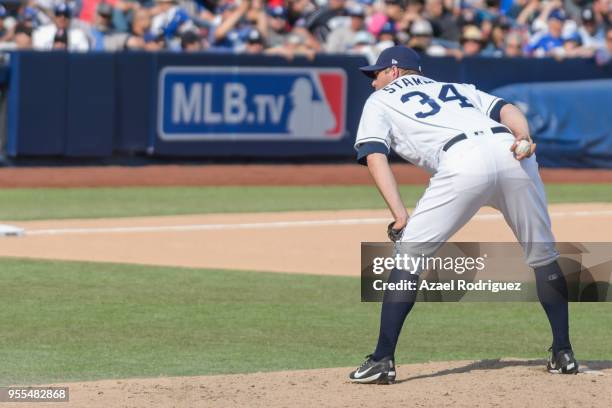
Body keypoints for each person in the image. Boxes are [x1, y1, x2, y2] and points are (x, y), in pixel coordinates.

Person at [348, 45, 578, 384]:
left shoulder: (380, 100)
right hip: (512, 153)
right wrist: (524, 136)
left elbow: (373, 155)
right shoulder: (456, 88)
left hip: (462, 159)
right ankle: (563, 353)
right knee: (543, 256)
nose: (372, 82)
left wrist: (400, 215)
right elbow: (507, 108)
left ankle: (382, 360)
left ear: (394, 72)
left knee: (410, 257)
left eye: (376, 74)